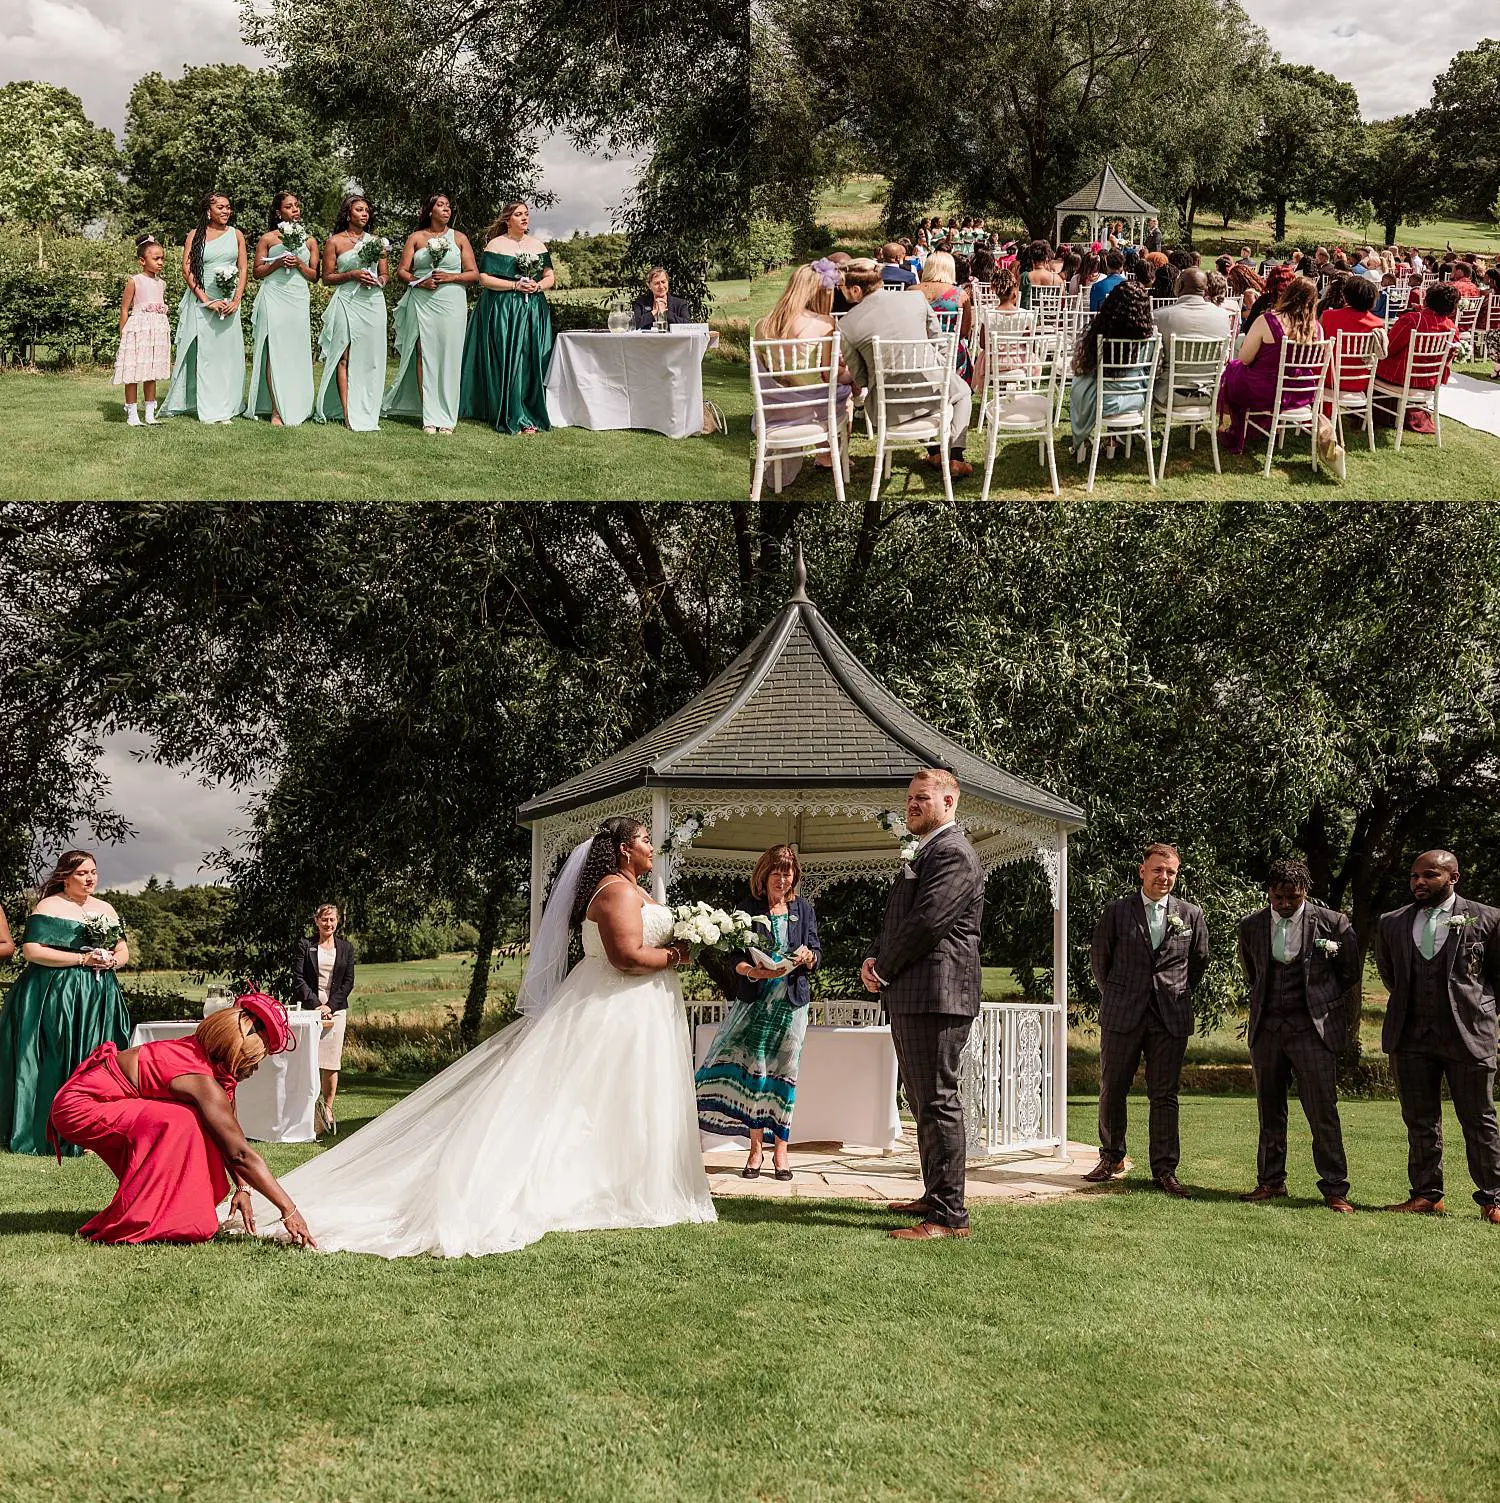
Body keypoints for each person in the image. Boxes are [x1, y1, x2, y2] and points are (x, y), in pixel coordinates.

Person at [249, 817, 715, 1256]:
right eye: (645, 840)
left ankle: (630, 1181)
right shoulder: (614, 892)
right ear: (622, 849)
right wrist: (677, 954)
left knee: (625, 1097)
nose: (652, 847)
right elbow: (626, 957)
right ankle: (588, 1183)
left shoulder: (633, 889)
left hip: (638, 1010)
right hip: (613, 1007)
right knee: (584, 1101)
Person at [48, 994, 316, 1247]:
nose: (255, 1071)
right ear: (235, 1056)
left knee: (190, 1121)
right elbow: (239, 1154)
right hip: (79, 1107)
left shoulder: (201, 1057)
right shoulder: (201, 1081)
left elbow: (230, 1134)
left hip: (98, 1100)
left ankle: (163, 1212)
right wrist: (288, 1210)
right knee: (179, 1122)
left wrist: (243, 1187)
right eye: (254, 1062)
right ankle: (142, 1220)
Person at [861, 770, 984, 1241]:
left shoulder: (952, 852)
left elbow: (928, 922)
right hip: (916, 993)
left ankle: (949, 1216)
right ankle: (935, 1196)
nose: (912, 804)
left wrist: (885, 967)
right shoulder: (928, 850)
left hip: (937, 995)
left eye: (922, 798)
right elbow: (903, 920)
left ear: (949, 801)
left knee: (937, 1102)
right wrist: (876, 958)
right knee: (924, 1102)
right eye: (910, 797)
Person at [1374, 851, 1500, 1225]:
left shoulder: (1488, 919)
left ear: (1453, 877)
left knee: (1479, 1119)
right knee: (1419, 1119)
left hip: (1468, 1036)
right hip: (1410, 1036)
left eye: (1429, 875)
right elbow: (1390, 976)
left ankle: (1493, 1198)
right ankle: (1427, 1195)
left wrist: (1481, 1011)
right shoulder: (1391, 922)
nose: (1419, 882)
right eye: (1414, 876)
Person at [1237, 859, 1361, 1212]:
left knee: (1323, 1110)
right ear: (1269, 893)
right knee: (1270, 1110)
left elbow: (1349, 971)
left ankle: (1335, 1187)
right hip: (1267, 1029)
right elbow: (1253, 972)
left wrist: (1319, 1000)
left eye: (1293, 897)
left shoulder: (1333, 923)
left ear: (1305, 892)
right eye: (1278, 897)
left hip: (1313, 1030)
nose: (1285, 904)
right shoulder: (1251, 926)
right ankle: (1271, 1182)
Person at [1085, 843, 1210, 1196]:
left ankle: (1165, 1170)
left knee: (1165, 1095)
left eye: (1171, 872)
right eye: (1158, 870)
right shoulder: (1116, 911)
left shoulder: (1190, 915)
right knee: (1113, 1089)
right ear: (1142, 871)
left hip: (1170, 1015)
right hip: (1123, 1013)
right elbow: (1101, 962)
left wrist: (1172, 990)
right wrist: (1119, 994)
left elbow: (1197, 962)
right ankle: (1111, 1157)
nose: (1164, 877)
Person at [695, 845, 822, 1179]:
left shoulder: (804, 909)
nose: (783, 878)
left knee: (785, 1073)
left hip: (792, 1003)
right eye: (777, 872)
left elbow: (817, 950)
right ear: (764, 874)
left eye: (789, 872)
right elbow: (734, 958)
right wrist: (755, 972)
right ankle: (755, 1152)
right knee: (757, 1072)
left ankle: (781, 1151)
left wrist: (809, 958)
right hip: (757, 1000)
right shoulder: (747, 909)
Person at [0, 851, 131, 1156]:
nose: (90, 879)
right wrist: (81, 959)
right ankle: (49, 1130)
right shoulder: (48, 906)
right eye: (83, 873)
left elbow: (123, 950)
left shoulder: (105, 909)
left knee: (97, 1058)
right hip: (56, 993)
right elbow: (32, 951)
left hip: (98, 994)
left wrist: (112, 961)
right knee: (56, 1057)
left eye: (94, 872)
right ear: (65, 877)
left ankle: (96, 1131)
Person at [838, 265, 972, 478]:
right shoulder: (916, 299)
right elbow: (939, 342)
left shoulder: (846, 325)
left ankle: (936, 453)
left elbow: (862, 380)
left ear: (855, 290)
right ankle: (955, 456)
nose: (840, 291)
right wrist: (945, 372)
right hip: (931, 389)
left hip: (888, 409)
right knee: (962, 392)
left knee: (928, 395)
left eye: (842, 287)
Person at [383, 191, 479, 435]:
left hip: (451, 301)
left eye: (448, 206)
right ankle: (429, 415)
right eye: (441, 205)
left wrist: (451, 277)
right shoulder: (416, 238)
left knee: (450, 356)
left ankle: (447, 416)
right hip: (422, 301)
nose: (446, 209)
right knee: (423, 354)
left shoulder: (459, 239)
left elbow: (473, 274)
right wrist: (419, 281)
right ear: (430, 210)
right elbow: (402, 271)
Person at [459, 198, 556, 434]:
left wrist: (538, 286)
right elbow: (484, 279)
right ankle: (511, 412)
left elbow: (550, 276)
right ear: (507, 220)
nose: (524, 218)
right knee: (508, 358)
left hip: (533, 309)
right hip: (503, 309)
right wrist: (513, 287)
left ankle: (531, 409)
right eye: (518, 214)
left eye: (526, 214)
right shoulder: (496, 245)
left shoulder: (538, 245)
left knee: (531, 359)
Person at [1218, 274, 1334, 463]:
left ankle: (1238, 428)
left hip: (1267, 392)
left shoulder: (1268, 320)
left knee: (1234, 368)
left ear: (1287, 294)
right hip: (1302, 393)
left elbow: (1245, 358)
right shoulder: (1317, 328)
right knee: (1237, 370)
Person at [162, 191, 246, 424]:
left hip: (228, 302)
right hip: (203, 302)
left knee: (228, 356)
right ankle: (209, 408)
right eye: (220, 207)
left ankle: (228, 404)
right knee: (205, 355)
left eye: (228, 207)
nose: (226, 211)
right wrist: (206, 300)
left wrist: (236, 300)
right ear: (208, 211)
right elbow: (187, 270)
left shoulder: (236, 235)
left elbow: (243, 268)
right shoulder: (194, 235)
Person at [316, 194, 389, 431]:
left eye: (367, 210)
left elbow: (385, 274)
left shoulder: (377, 242)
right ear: (348, 214)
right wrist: (352, 275)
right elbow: (326, 278)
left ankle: (367, 409)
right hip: (347, 300)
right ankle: (348, 414)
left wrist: (379, 280)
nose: (364, 214)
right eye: (359, 210)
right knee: (344, 356)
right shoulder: (334, 242)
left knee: (372, 358)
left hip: (373, 301)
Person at [247, 191, 319, 426]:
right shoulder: (268, 239)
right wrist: (277, 262)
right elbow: (257, 272)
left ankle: (298, 404)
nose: (295, 210)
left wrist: (298, 263)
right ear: (279, 212)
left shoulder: (309, 240)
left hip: (298, 297)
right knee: (275, 351)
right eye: (289, 207)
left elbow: (314, 275)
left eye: (297, 206)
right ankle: (277, 409)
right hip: (274, 295)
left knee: (296, 351)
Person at [1068, 280, 1157, 461]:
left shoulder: (1097, 332)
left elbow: (1079, 365)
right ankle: (1113, 438)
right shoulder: (1150, 338)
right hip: (1136, 399)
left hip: (1103, 401)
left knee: (1080, 383)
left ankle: (1083, 442)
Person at [293, 903, 356, 1135]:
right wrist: (316, 1006)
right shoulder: (305, 946)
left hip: (336, 1010)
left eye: (332, 920)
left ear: (337, 921)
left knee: (330, 1062)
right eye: (324, 920)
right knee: (308, 1060)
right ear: (316, 921)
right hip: (310, 1010)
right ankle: (306, 1108)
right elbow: (299, 979)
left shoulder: (346, 948)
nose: (328, 924)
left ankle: (327, 1109)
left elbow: (348, 982)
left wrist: (330, 1006)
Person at [113, 233, 172, 426]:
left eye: (162, 258)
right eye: (156, 258)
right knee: (134, 371)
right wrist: (124, 333)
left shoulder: (161, 283)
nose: (160, 262)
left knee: (151, 371)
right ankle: (132, 413)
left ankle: (149, 413)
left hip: (155, 332)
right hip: (138, 331)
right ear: (142, 260)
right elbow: (124, 308)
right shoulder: (134, 281)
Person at [1150, 268, 1232, 405]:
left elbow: (1153, 359)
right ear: (1205, 289)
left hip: (1168, 394)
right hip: (1210, 394)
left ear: (1180, 286)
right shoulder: (1222, 316)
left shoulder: (1159, 316)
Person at [1320, 272, 1385, 392]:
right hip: (1360, 381)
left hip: (1329, 378)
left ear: (1345, 296)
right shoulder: (1378, 323)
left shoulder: (1328, 316)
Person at [918, 251, 972, 381]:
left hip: (918, 351)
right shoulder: (960, 295)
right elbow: (964, 332)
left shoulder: (911, 291)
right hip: (950, 352)